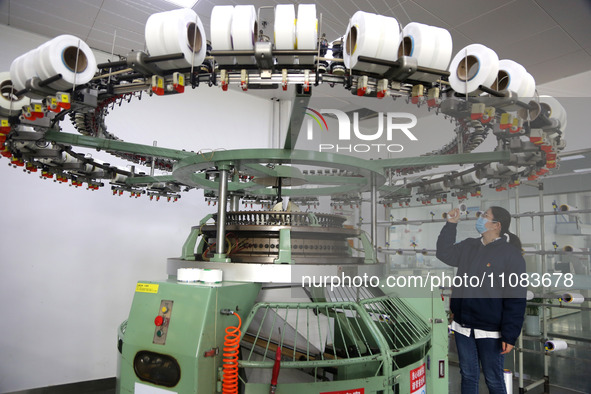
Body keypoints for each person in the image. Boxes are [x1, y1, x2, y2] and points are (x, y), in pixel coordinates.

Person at [436, 206, 526, 394]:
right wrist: (451, 225)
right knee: (468, 375)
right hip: (463, 326)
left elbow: (515, 298)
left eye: (485, 216)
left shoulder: (511, 254)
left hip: (491, 331)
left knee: (494, 379)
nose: (480, 218)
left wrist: (510, 334)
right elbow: (444, 253)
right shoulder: (469, 245)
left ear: (496, 225)